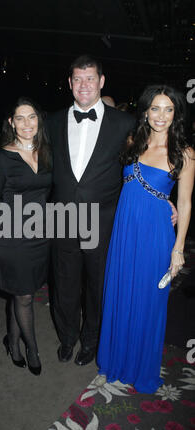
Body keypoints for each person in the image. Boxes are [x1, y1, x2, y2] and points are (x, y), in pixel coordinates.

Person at [97, 84, 195, 393]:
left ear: (176, 113)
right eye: (155, 108)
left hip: (155, 235)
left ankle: (140, 368)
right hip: (125, 231)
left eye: (169, 109)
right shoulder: (132, 141)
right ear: (146, 111)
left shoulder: (185, 153)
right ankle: (114, 362)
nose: (161, 116)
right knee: (120, 293)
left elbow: (185, 203)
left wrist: (178, 249)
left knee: (148, 302)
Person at [46, 55, 136, 366]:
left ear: (101, 82)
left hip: (103, 219)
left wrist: (163, 198)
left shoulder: (125, 123)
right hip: (63, 219)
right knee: (64, 283)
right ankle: (67, 336)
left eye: (90, 79)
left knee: (97, 287)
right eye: (78, 79)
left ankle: (91, 340)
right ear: (70, 83)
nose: (84, 85)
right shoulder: (52, 121)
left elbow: (140, 167)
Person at [0, 97, 52, 376]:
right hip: (12, 236)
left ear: (39, 121)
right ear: (11, 123)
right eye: (20, 118)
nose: (27, 123)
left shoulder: (48, 152)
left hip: (40, 234)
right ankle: (32, 349)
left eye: (32, 117)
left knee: (22, 293)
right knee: (25, 295)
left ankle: (12, 342)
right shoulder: (0, 157)